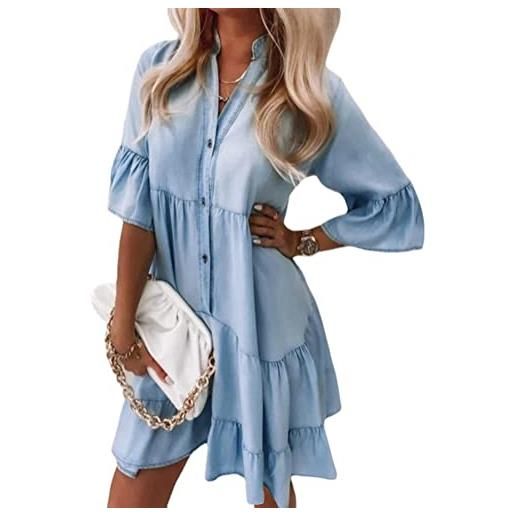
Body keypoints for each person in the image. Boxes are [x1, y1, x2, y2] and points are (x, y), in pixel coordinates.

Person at [105, 7, 424, 509]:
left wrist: (305, 240)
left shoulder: (306, 89)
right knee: (133, 484)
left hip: (259, 324)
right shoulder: (159, 72)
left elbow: (392, 203)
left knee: (268, 488)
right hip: (173, 326)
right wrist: (123, 325)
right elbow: (138, 214)